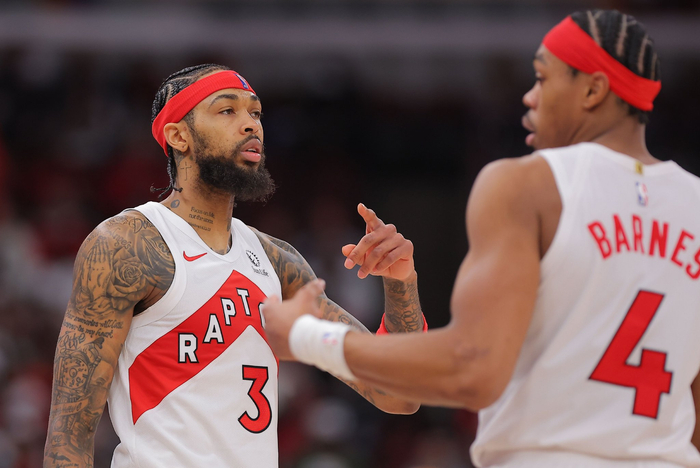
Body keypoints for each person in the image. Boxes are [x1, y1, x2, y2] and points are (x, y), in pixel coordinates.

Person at [262, 9, 700, 467]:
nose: (529, 96)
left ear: (592, 90)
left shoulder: (527, 184)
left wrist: (307, 336)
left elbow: (473, 369)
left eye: (542, 78)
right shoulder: (692, 201)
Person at [43, 64, 426, 468]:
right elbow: (69, 437)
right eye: (227, 110)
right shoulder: (128, 246)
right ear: (178, 136)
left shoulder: (278, 261)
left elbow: (400, 395)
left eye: (255, 113)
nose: (251, 125)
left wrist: (401, 281)